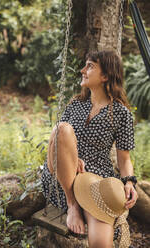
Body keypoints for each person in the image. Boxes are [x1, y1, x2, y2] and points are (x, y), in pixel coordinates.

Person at [41, 50, 138, 248]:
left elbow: (124, 158)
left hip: (94, 180)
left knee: (101, 242)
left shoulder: (122, 114)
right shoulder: (76, 104)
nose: (82, 70)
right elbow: (57, 141)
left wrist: (129, 182)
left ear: (105, 76)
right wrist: (72, 157)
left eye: (90, 66)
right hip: (62, 176)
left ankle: (85, 205)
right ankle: (73, 205)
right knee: (62, 129)